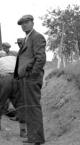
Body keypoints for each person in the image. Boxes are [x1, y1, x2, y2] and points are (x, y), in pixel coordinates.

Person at [15, 14, 46, 145]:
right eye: (22, 23)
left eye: (27, 22)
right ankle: (33, 137)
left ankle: (37, 138)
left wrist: (32, 75)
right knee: (29, 108)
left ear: (32, 23)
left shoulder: (37, 37)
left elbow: (41, 58)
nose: (24, 25)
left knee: (33, 107)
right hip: (25, 78)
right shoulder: (27, 38)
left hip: (31, 77)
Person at [0, 51, 27, 138]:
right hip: (19, 79)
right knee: (20, 104)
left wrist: (1, 96)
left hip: (5, 79)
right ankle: (23, 131)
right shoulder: (15, 58)